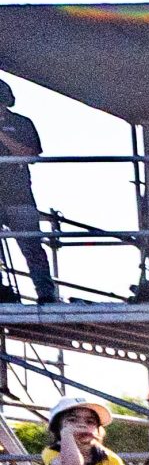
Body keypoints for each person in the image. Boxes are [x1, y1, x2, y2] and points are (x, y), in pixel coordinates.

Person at [0, 80, 57, 304]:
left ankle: (46, 294)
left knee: (32, 246)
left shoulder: (22, 123)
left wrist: (1, 135)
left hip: (19, 195)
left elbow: (31, 155)